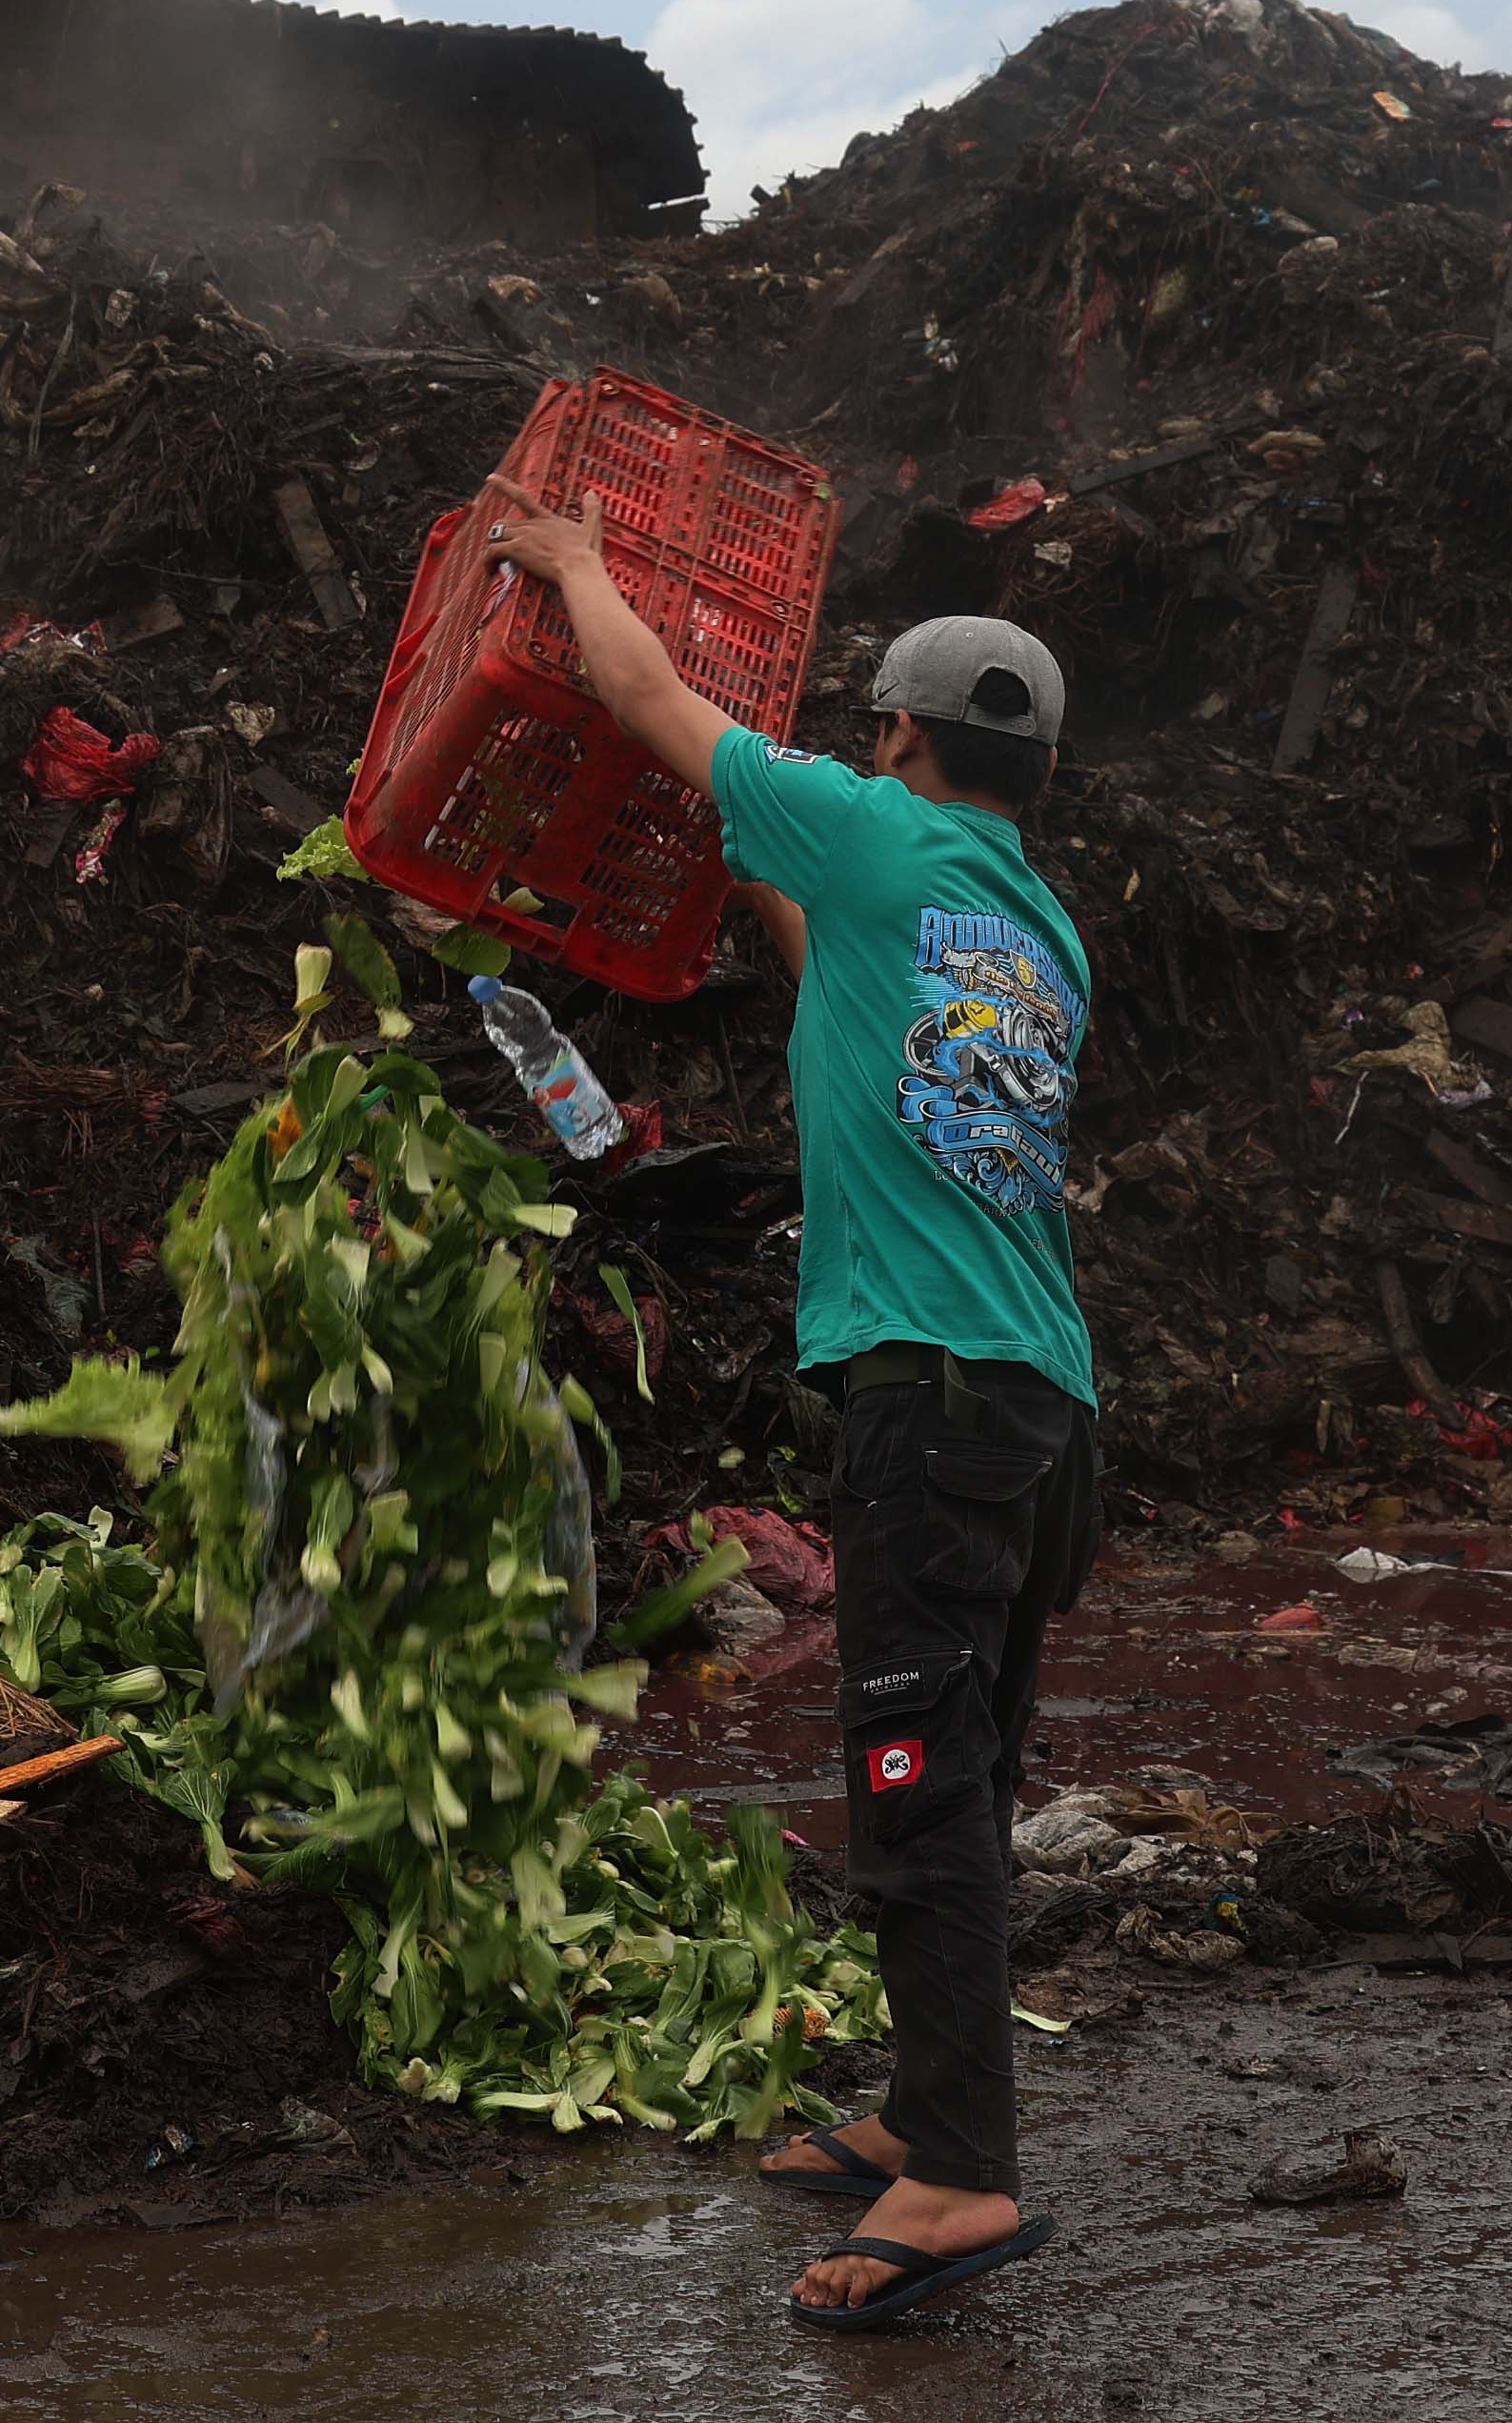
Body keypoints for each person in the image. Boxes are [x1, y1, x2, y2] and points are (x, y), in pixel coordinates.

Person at [480, 500, 1100, 2332]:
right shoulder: (1029, 923)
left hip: (929, 1387)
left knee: (917, 1786)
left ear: (899, 740)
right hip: (1039, 1404)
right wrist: (759, 854)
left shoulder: (874, 828)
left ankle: (965, 2180)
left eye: (873, 729)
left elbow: (645, 693)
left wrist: (575, 561)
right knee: (960, 1770)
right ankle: (924, 2114)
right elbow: (828, 953)